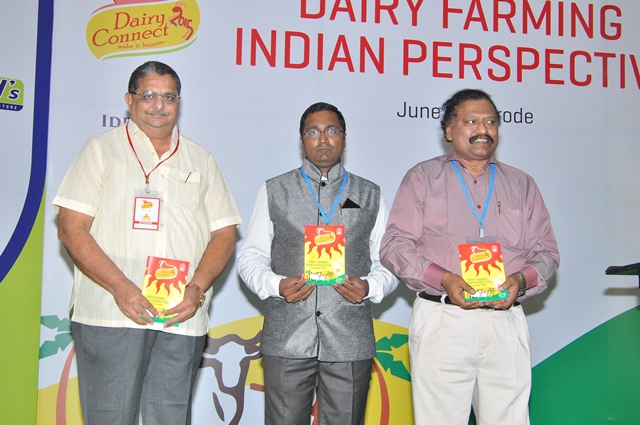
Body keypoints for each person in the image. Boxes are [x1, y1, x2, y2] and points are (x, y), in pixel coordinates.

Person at [53, 61, 241, 425]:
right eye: (149, 95)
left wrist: (196, 290)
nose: (159, 105)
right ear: (129, 100)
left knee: (170, 418)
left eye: (169, 97)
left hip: (180, 316)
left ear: (179, 102)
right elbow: (71, 229)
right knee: (110, 417)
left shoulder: (201, 159)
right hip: (112, 311)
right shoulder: (101, 150)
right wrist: (119, 286)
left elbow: (224, 234)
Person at [380, 89, 559, 425]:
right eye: (471, 121)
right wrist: (444, 279)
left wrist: (521, 281)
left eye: (490, 122)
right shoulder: (422, 178)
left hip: (505, 320)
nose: (482, 130)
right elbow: (395, 245)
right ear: (449, 130)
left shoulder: (522, 184)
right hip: (443, 317)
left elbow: (547, 253)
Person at [237, 102, 398, 425]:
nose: (323, 139)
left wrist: (370, 287)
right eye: (313, 132)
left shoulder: (369, 194)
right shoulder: (274, 190)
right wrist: (276, 285)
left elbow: (390, 261)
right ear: (301, 140)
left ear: (344, 138)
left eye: (331, 131)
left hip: (349, 338)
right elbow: (250, 255)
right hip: (288, 336)